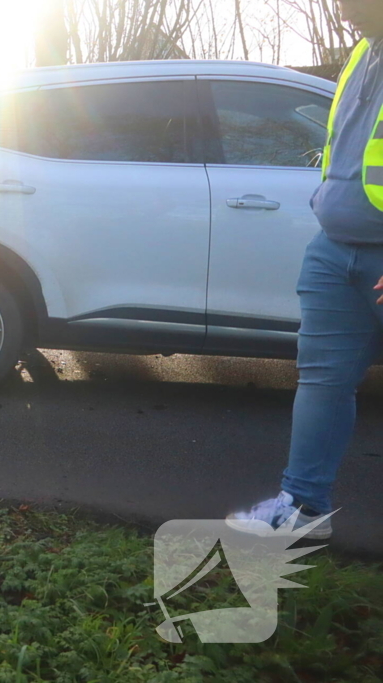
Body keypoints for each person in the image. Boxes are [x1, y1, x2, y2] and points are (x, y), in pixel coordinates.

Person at [227, 0, 383, 540]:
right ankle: (303, 511)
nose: (344, 10)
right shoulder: (363, 52)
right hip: (335, 248)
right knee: (322, 380)